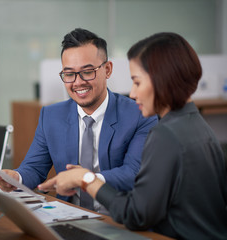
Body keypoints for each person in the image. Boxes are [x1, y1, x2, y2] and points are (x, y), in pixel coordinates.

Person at [39, 32, 227, 239]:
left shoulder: (165, 135)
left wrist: (85, 178)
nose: (134, 93)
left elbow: (136, 215)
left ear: (161, 80)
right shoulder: (198, 125)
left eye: (137, 82)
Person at [0, 28, 157, 212]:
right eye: (69, 74)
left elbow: (133, 173)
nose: (78, 82)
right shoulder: (51, 116)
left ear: (107, 69)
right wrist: (16, 177)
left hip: (117, 218)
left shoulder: (139, 115)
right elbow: (34, 167)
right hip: (68, 214)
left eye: (87, 72)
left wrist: (85, 179)